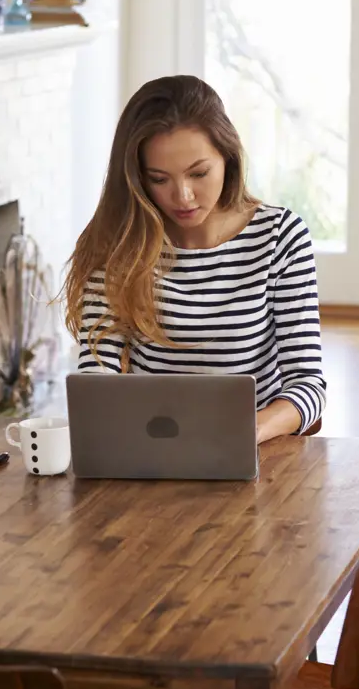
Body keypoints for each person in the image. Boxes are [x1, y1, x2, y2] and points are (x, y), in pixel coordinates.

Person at [63, 75, 326, 443]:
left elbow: (308, 385)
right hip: (150, 451)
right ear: (138, 178)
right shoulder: (119, 246)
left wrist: (246, 432)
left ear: (227, 157)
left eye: (199, 173)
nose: (183, 196)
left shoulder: (280, 237)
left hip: (255, 453)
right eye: (159, 179)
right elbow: (96, 381)